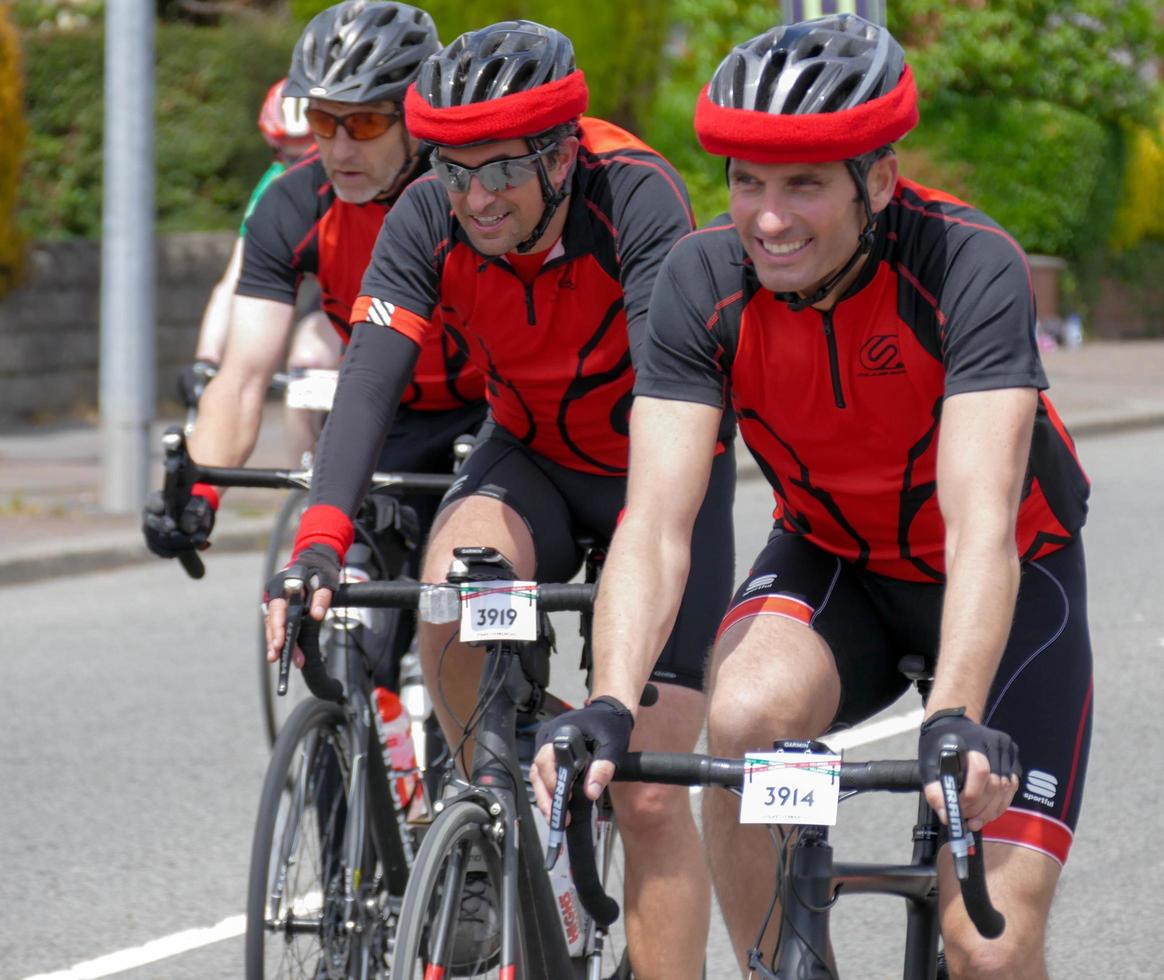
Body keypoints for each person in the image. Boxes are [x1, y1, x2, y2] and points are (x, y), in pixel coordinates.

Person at [532, 14, 1093, 980]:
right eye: (747, 181)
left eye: (804, 184)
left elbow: (981, 520)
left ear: (877, 180)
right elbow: (657, 521)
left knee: (988, 950)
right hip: (837, 562)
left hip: (1005, 580)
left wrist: (951, 717)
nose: (769, 218)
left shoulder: (967, 266)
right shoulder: (701, 282)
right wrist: (612, 702)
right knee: (745, 719)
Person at [264, 20, 736, 979]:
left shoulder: (637, 198)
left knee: (645, 792)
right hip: (532, 455)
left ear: (562, 156)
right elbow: (369, 382)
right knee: (451, 581)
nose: (474, 198)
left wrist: (622, 655)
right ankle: (487, 803)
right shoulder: (429, 212)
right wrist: (320, 541)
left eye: (502, 171)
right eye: (453, 168)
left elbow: (668, 411)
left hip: (660, 471)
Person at [143, 0, 485, 574]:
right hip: (387, 409)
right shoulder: (292, 205)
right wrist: (200, 492)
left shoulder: (472, 192)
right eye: (322, 121)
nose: (340, 149)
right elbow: (244, 376)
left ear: (416, 116)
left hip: (495, 407)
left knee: (468, 586)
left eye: (367, 123)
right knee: (347, 588)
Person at [182, 76, 336, 465]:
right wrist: (207, 361)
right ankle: (309, 485)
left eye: (310, 155)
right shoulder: (274, 189)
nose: (298, 169)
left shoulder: (354, 179)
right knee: (307, 364)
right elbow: (234, 281)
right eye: (286, 157)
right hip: (331, 296)